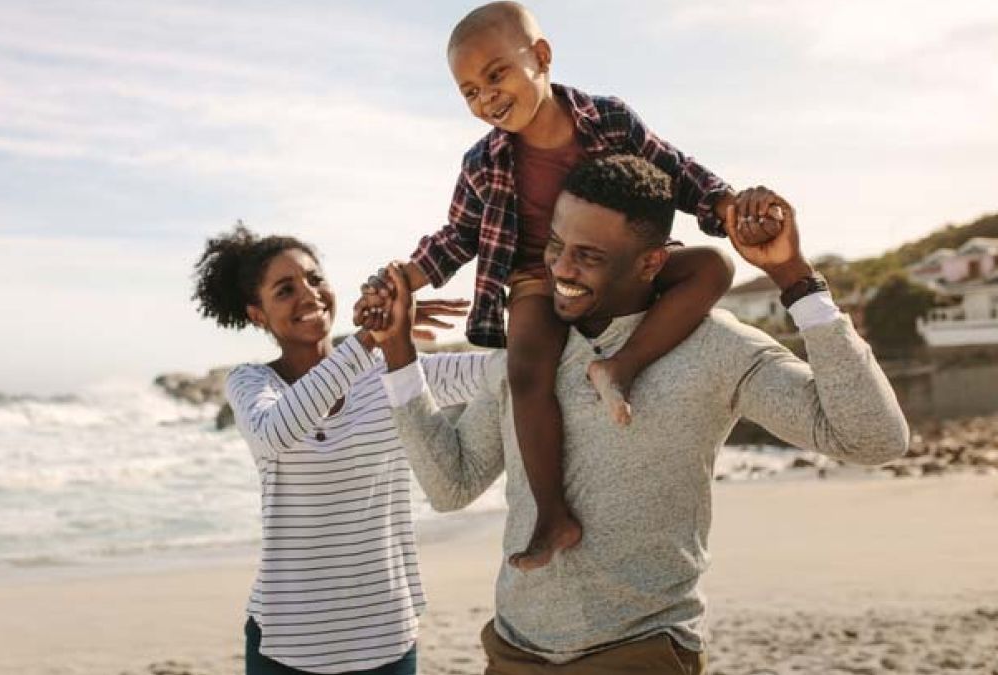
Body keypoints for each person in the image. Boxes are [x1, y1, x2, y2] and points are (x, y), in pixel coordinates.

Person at [370, 155, 909, 673]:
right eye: (556, 245)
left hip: (641, 653)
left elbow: (873, 437)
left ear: (652, 262)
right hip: (514, 652)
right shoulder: (529, 355)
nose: (561, 268)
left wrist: (794, 279)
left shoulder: (714, 347)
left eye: (590, 255)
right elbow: (451, 485)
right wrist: (399, 355)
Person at [365, 1, 787, 570]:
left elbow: (678, 171)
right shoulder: (482, 162)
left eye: (496, 75)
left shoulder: (609, 119)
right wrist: (403, 279)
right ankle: (552, 514)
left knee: (714, 268)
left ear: (540, 57)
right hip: (540, 277)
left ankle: (622, 366)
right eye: (468, 92)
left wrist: (727, 205)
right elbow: (458, 237)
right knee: (526, 366)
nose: (486, 98)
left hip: (617, 270)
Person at [191, 225, 489, 675]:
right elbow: (276, 432)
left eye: (315, 279)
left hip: (386, 634)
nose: (308, 295)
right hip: (287, 642)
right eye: (285, 289)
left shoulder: (391, 369)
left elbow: (503, 372)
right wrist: (368, 338)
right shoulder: (251, 383)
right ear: (258, 314)